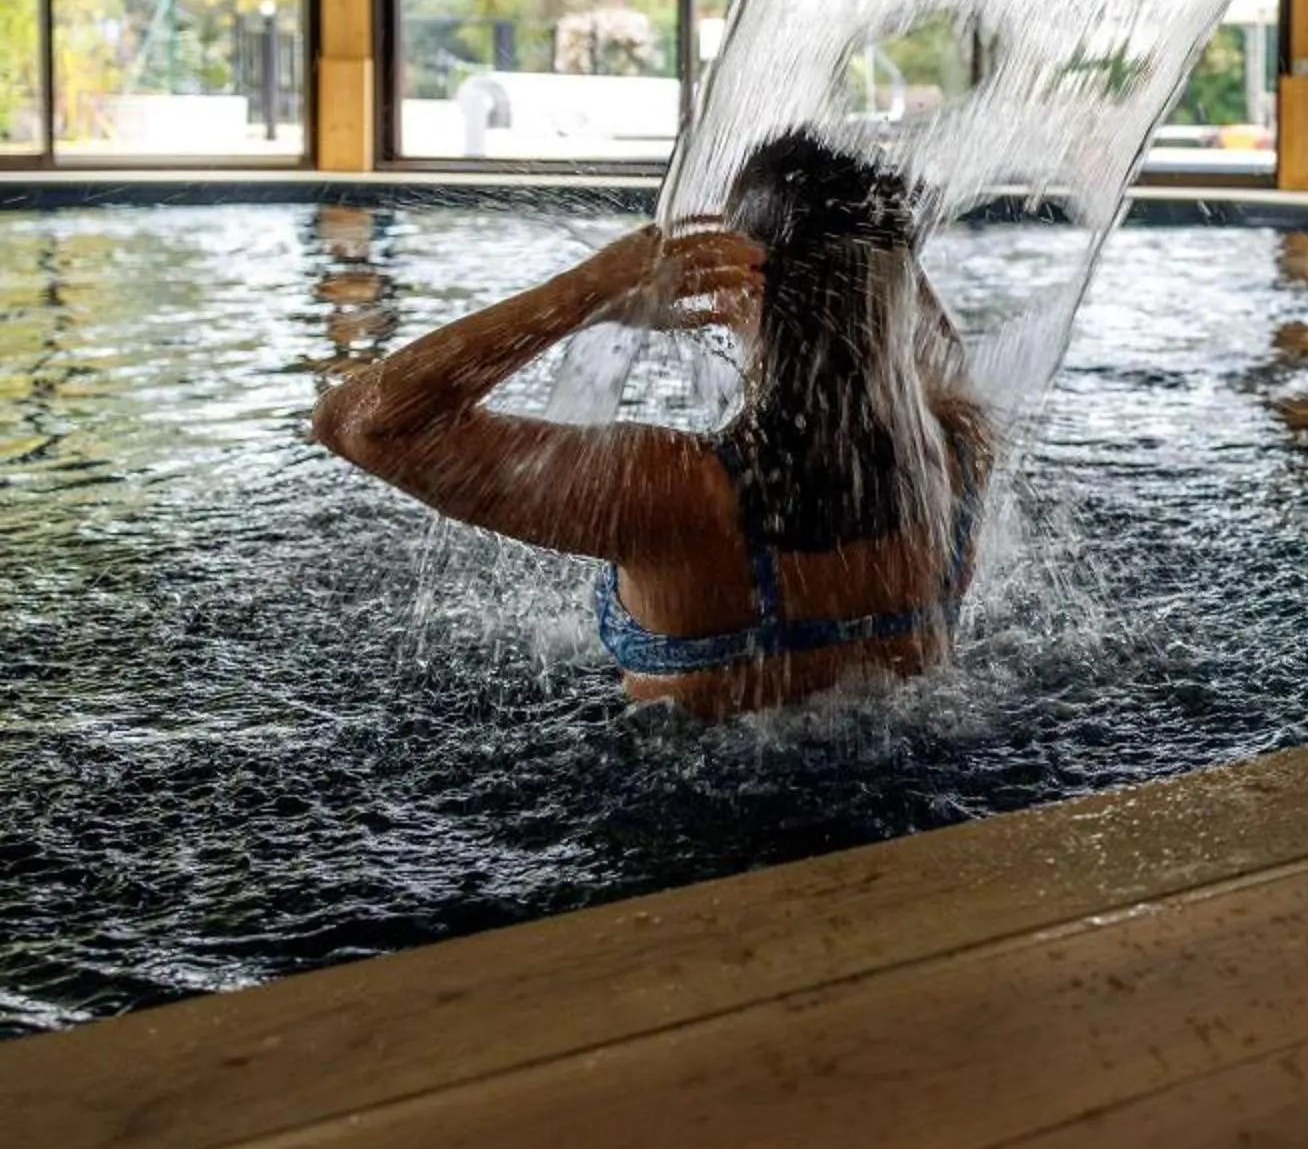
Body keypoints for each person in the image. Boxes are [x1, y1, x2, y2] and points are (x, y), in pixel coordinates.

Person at [314, 130, 994, 716]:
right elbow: (939, 350)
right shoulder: (960, 451)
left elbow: (362, 424)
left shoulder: (671, 493)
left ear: (742, 281)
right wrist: (868, 248)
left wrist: (593, 290)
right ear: (894, 286)